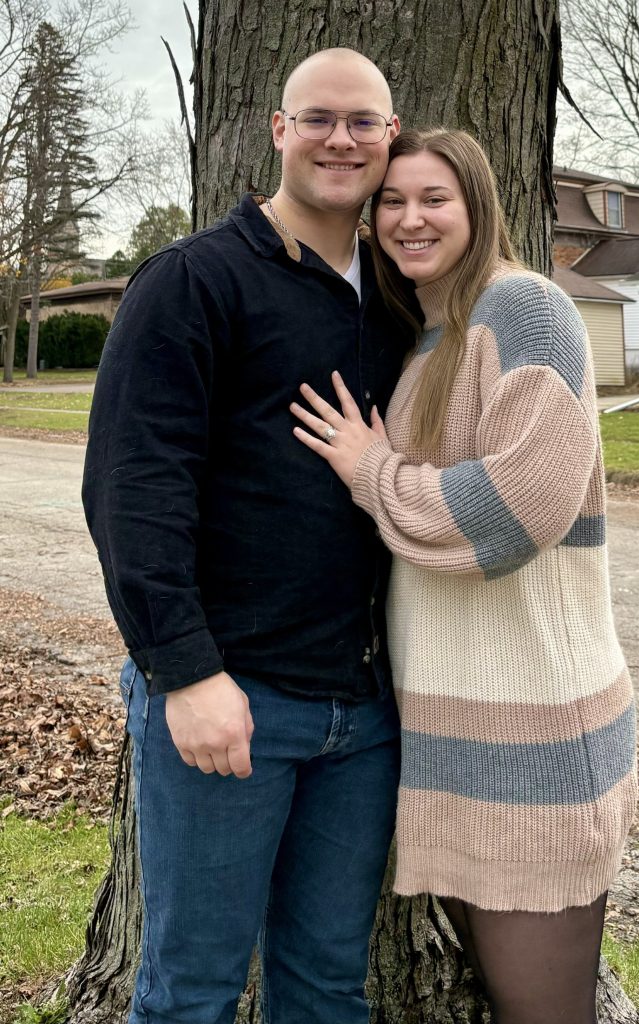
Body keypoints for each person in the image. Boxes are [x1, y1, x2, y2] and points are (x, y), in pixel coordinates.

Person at [82, 48, 414, 1024]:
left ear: (389, 138)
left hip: (362, 721)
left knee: (324, 990)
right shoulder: (193, 282)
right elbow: (131, 492)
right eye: (317, 118)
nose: (340, 138)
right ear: (278, 130)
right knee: (191, 992)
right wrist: (184, 673)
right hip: (232, 704)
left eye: (363, 121)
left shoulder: (396, 302)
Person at [291, 128, 638, 1024]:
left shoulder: (523, 309)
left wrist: (371, 471)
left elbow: (516, 511)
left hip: (536, 736)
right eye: (391, 203)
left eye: (433, 198)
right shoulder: (432, 333)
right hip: (463, 735)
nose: (409, 219)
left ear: (479, 205)